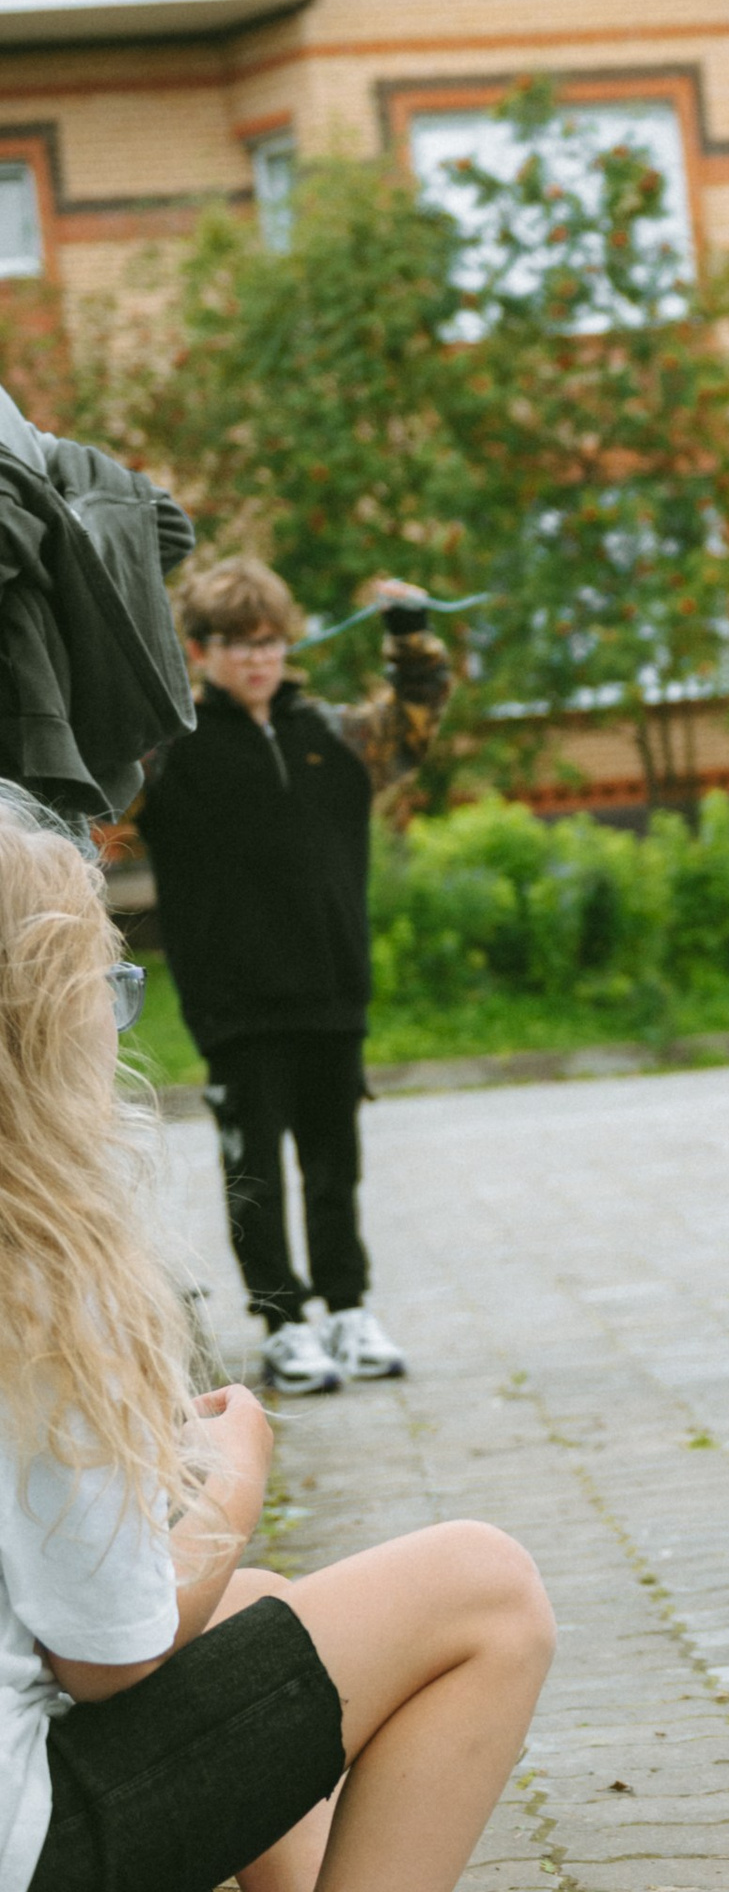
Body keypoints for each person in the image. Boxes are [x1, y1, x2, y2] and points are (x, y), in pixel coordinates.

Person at [0, 784, 602, 1892]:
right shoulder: (34, 1270)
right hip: (19, 1869)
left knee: (266, 1610)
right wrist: (227, 1476)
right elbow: (117, 1662)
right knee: (483, 1593)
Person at [139, 553, 453, 1396]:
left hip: (331, 990)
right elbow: (92, 785)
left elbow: (417, 715)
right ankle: (284, 1326)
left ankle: (349, 1313)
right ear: (199, 652)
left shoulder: (337, 737)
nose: (257, 659)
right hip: (234, 1004)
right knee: (255, 1170)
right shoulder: (168, 755)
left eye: (269, 640)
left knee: (333, 1162)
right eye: (236, 643)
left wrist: (408, 633)